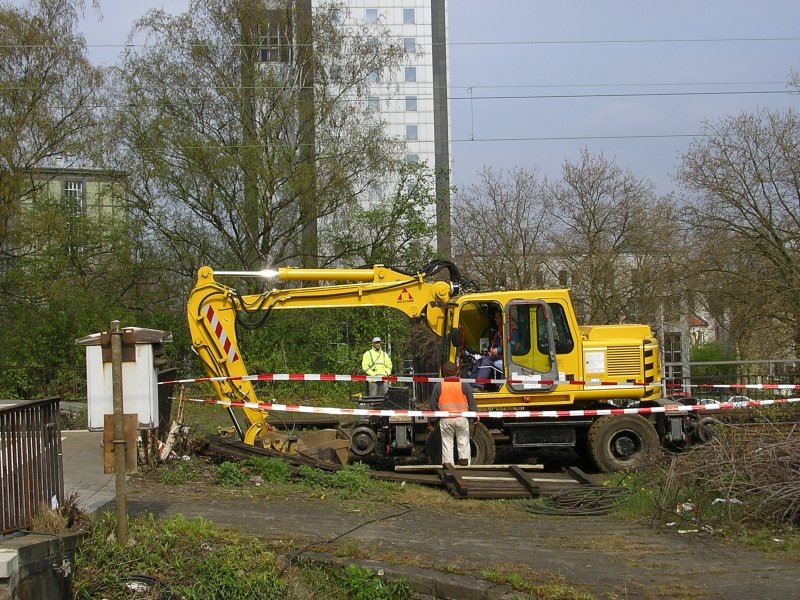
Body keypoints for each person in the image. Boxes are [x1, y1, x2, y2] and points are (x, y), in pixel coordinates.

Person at [429, 361, 478, 467]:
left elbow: (432, 405)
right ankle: (464, 460)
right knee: (463, 440)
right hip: (461, 418)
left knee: (447, 443)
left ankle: (448, 464)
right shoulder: (464, 385)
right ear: (457, 372)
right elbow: (472, 403)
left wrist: (432, 421)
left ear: (444, 373)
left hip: (446, 419)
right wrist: (475, 417)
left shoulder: (439, 386)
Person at [471, 311, 504, 390]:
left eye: (497, 317)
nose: (495, 319)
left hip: (506, 357)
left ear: (502, 318)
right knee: (479, 361)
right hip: (497, 356)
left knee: (486, 361)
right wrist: (489, 349)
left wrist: (498, 350)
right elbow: (494, 344)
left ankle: (479, 386)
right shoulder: (499, 330)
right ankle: (472, 385)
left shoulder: (510, 330)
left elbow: (512, 346)